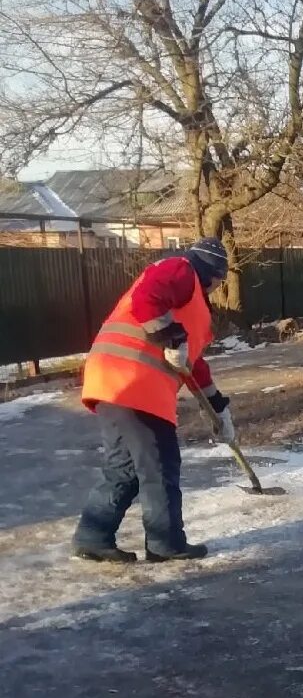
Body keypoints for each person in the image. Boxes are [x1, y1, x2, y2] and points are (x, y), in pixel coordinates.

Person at [72, 237, 235, 564]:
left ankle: (93, 536)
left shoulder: (192, 307)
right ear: (211, 272)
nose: (220, 286)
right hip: (135, 385)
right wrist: (170, 336)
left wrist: (220, 408)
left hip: (109, 381)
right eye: (220, 279)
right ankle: (166, 543)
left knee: (123, 470)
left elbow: (193, 365)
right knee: (159, 467)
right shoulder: (181, 269)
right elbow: (149, 296)